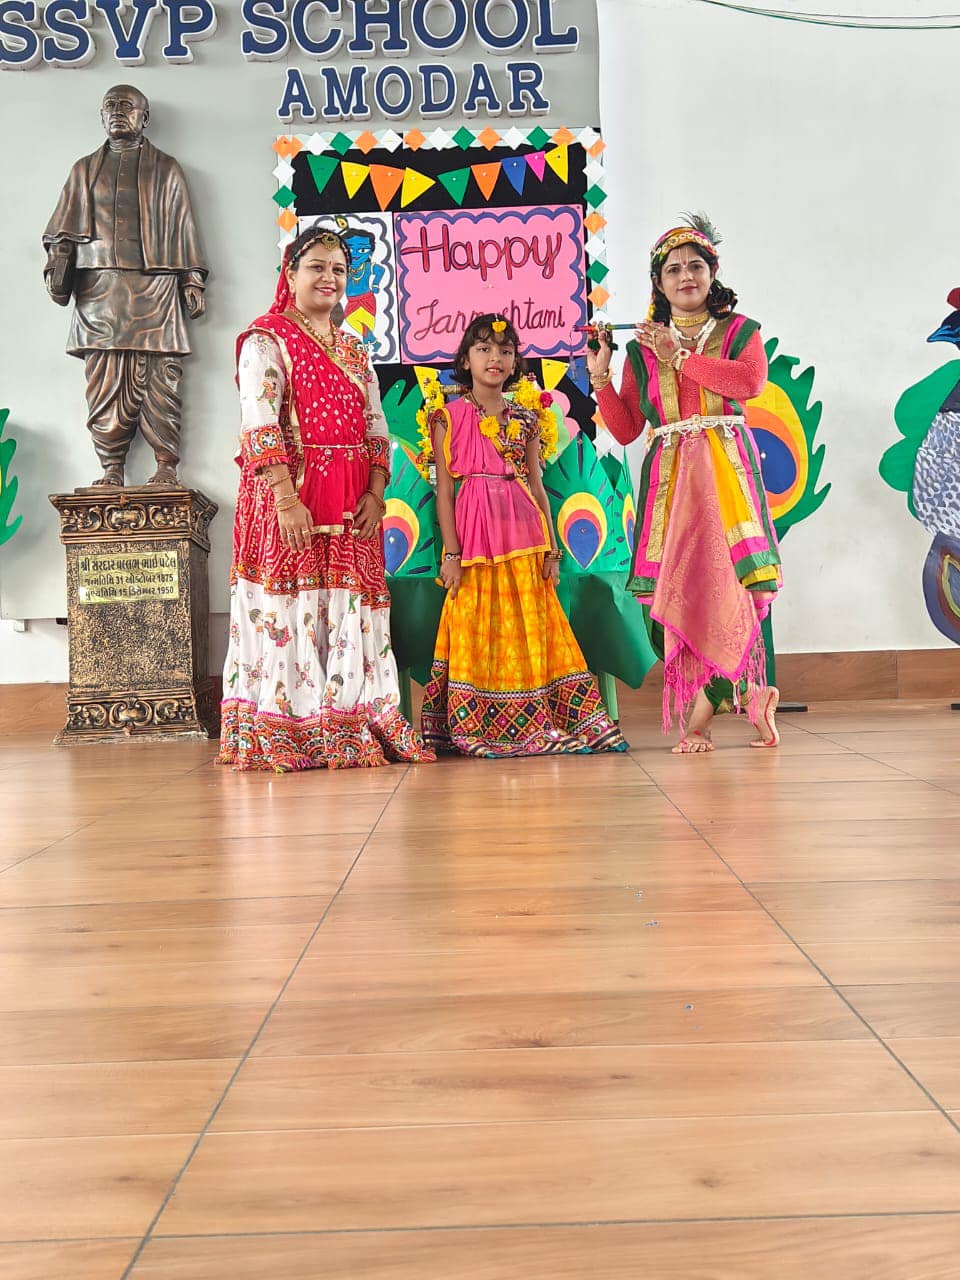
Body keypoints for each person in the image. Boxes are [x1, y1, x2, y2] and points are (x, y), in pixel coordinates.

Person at [218, 225, 434, 771]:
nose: (329, 278)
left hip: (351, 501)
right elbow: (259, 421)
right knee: (289, 609)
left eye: (339, 269)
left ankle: (348, 717)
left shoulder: (355, 350)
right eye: (316, 266)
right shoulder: (266, 340)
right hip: (289, 496)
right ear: (290, 274)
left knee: (348, 608)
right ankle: (290, 725)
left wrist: (377, 493)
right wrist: (286, 499)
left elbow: (376, 427)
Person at [588, 216, 782, 753]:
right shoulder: (640, 349)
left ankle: (708, 716)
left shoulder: (739, 331)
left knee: (735, 585)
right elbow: (627, 429)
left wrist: (680, 356)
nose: (685, 276)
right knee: (673, 591)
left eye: (695, 265)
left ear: (712, 273)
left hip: (725, 476)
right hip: (671, 483)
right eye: (672, 269)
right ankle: (745, 698)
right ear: (659, 282)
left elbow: (750, 383)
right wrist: (601, 375)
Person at [418, 313, 627, 757]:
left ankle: (539, 716)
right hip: (474, 540)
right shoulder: (446, 417)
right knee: (474, 624)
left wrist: (551, 549)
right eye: (484, 349)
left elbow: (536, 485)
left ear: (516, 363)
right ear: (466, 360)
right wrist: (451, 553)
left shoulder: (528, 418)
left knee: (532, 625)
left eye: (505, 351)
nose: (495, 358)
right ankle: (475, 722)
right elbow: (445, 492)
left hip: (526, 535)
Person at [43, 85, 207, 488]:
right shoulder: (83, 170)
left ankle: (166, 465)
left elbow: (183, 226)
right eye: (110, 106)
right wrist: (58, 263)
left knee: (161, 378)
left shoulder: (166, 169)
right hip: (99, 290)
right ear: (102, 116)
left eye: (127, 105)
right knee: (104, 379)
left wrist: (191, 277)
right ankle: (111, 467)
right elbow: (62, 232)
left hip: (156, 287)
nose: (117, 111)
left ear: (143, 117)